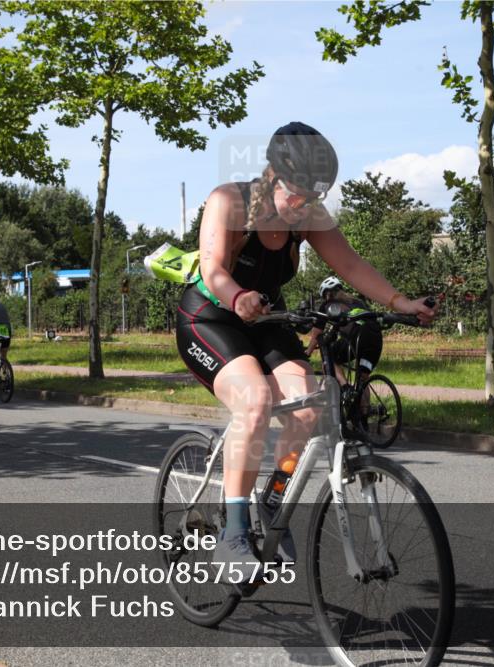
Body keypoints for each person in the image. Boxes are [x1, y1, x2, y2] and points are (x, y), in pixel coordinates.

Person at [175, 121, 437, 572]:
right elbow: (213, 270)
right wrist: (237, 297)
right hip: (210, 317)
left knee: (308, 404)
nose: (305, 208)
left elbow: (351, 265)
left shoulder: (307, 215)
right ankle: (233, 533)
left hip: (267, 318)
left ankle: (274, 500)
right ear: (272, 176)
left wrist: (401, 302)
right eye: (298, 197)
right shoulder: (229, 201)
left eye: (315, 198)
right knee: (255, 400)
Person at [305, 276, 383, 388]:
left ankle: (345, 387)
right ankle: (361, 399)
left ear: (326, 294)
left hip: (357, 337)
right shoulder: (358, 302)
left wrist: (308, 351)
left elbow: (317, 332)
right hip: (375, 339)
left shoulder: (328, 304)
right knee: (362, 380)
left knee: (330, 357)